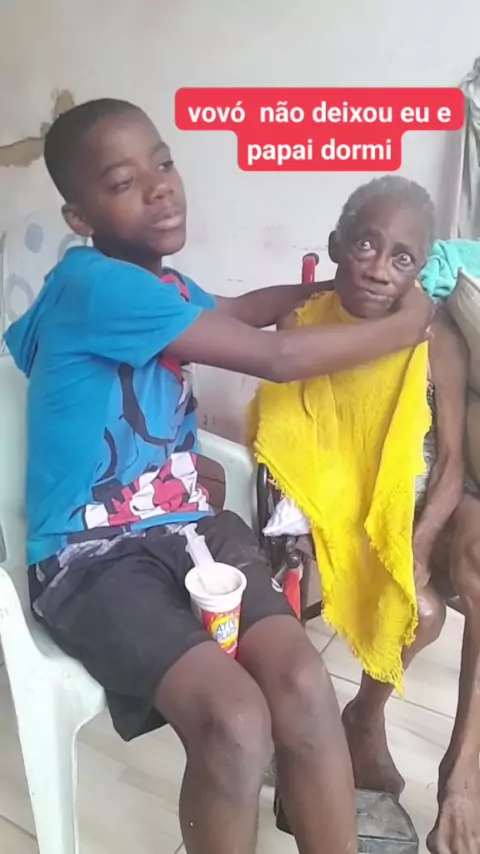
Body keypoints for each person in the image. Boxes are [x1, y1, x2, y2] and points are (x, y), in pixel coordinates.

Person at [3, 100, 432, 854]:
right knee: (234, 721)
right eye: (123, 182)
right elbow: (277, 357)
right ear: (80, 217)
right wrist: (407, 322)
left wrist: (330, 294)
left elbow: (236, 310)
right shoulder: (96, 286)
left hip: (187, 528)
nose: (159, 187)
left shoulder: (163, 287)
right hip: (91, 556)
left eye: (163, 164)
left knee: (303, 686)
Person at [263, 175, 480, 854]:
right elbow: (294, 434)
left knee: (422, 607)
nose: (379, 269)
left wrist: (418, 542)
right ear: (337, 245)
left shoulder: (434, 337)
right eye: (365, 245)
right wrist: (325, 520)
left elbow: (451, 464)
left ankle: (365, 714)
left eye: (401, 258)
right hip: (329, 507)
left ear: (421, 269)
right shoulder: (307, 323)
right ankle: (335, 732)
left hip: (402, 510)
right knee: (423, 613)